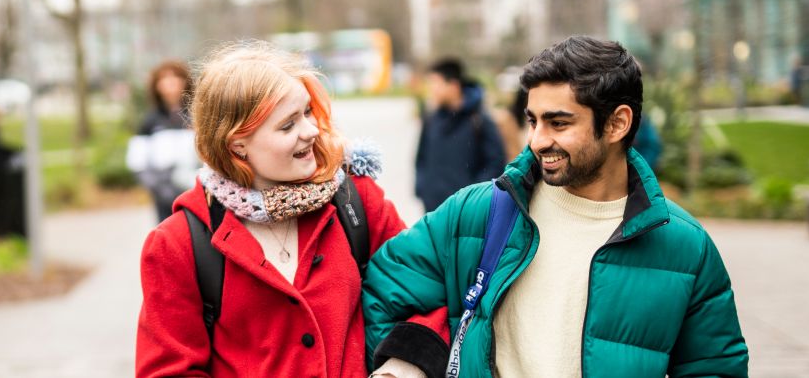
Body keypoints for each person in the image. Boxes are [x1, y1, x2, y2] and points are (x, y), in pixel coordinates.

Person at [364, 36, 748, 378]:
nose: (536, 140)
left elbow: (715, 368)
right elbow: (381, 293)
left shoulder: (686, 247)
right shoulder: (475, 213)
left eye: (558, 123)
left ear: (617, 124)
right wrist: (412, 362)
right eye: (532, 120)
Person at [136, 40, 411, 377]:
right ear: (237, 145)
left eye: (307, 112)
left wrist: (401, 366)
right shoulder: (177, 245)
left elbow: (421, 293)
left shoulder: (357, 202)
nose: (311, 131)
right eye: (287, 125)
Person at [415, 58, 506, 212]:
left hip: (467, 214)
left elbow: (495, 163)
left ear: (453, 85)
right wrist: (422, 190)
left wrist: (472, 198)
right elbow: (421, 158)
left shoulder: (479, 120)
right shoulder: (431, 118)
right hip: (433, 214)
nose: (432, 90)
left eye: (436, 84)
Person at [126, 61, 200, 221]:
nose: (171, 83)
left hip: (196, 187)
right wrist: (158, 187)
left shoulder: (199, 116)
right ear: (156, 85)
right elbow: (137, 161)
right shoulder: (150, 121)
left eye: (175, 77)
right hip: (164, 191)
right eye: (165, 78)